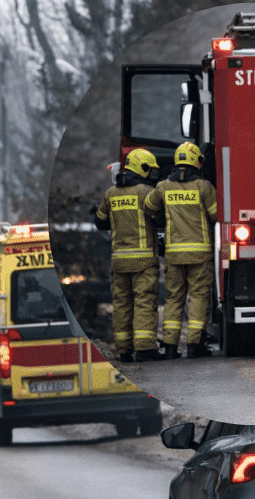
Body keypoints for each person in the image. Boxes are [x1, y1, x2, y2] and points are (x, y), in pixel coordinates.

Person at [144, 141, 218, 359]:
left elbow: (148, 207)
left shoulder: (163, 187)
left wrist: (162, 217)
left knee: (174, 299)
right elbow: (215, 216)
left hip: (174, 254)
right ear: (197, 161)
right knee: (198, 297)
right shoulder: (204, 187)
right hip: (200, 254)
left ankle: (169, 347)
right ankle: (195, 345)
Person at [96, 148, 162, 362]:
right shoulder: (145, 193)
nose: (151, 175)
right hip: (143, 261)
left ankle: (124, 349)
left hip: (119, 262)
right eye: (149, 170)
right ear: (140, 168)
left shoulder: (110, 194)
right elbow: (159, 218)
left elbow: (100, 222)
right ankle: (144, 349)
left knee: (122, 305)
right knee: (144, 303)